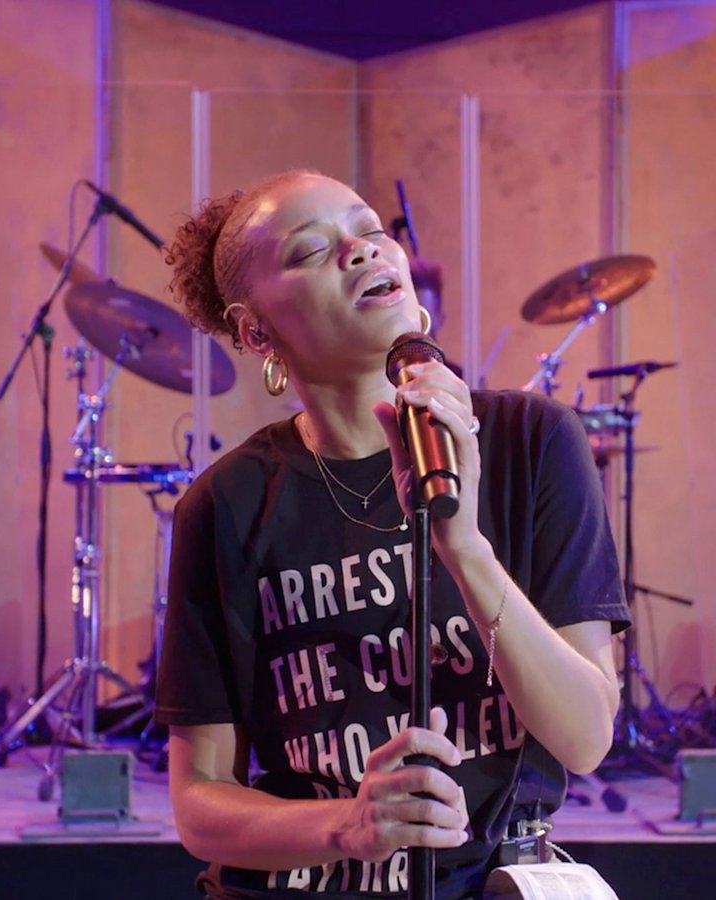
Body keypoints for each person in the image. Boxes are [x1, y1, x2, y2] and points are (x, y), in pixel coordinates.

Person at [155, 169, 629, 899]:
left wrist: (465, 545)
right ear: (256, 331)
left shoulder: (529, 442)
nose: (363, 251)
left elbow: (585, 736)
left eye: (372, 230)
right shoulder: (225, 504)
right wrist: (347, 825)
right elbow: (200, 805)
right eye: (312, 250)